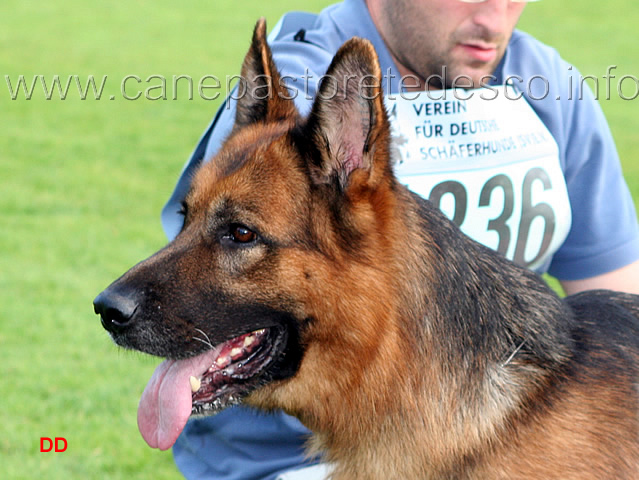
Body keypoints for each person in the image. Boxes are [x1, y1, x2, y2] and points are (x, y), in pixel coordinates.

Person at [160, 0, 639, 478]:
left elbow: (618, 306)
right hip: (293, 455)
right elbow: (212, 269)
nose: (494, 17)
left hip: (485, 416)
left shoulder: (545, 84)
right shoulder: (307, 79)